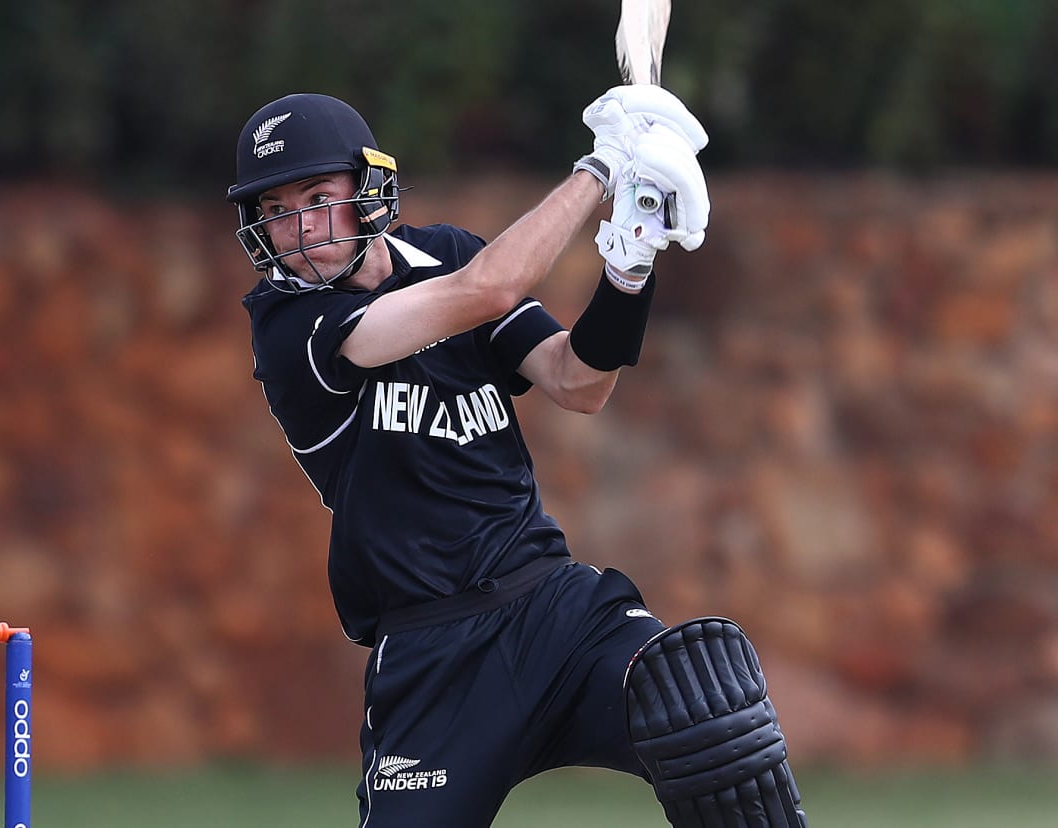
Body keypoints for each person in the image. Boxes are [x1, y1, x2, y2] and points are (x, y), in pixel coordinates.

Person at [227, 89, 808, 827]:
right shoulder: (287, 328)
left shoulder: (444, 252)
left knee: (704, 709)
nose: (300, 227)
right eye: (277, 209)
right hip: (433, 656)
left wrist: (628, 264)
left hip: (554, 611)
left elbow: (577, 381)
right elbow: (487, 289)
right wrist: (602, 168)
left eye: (318, 196)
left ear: (370, 185)